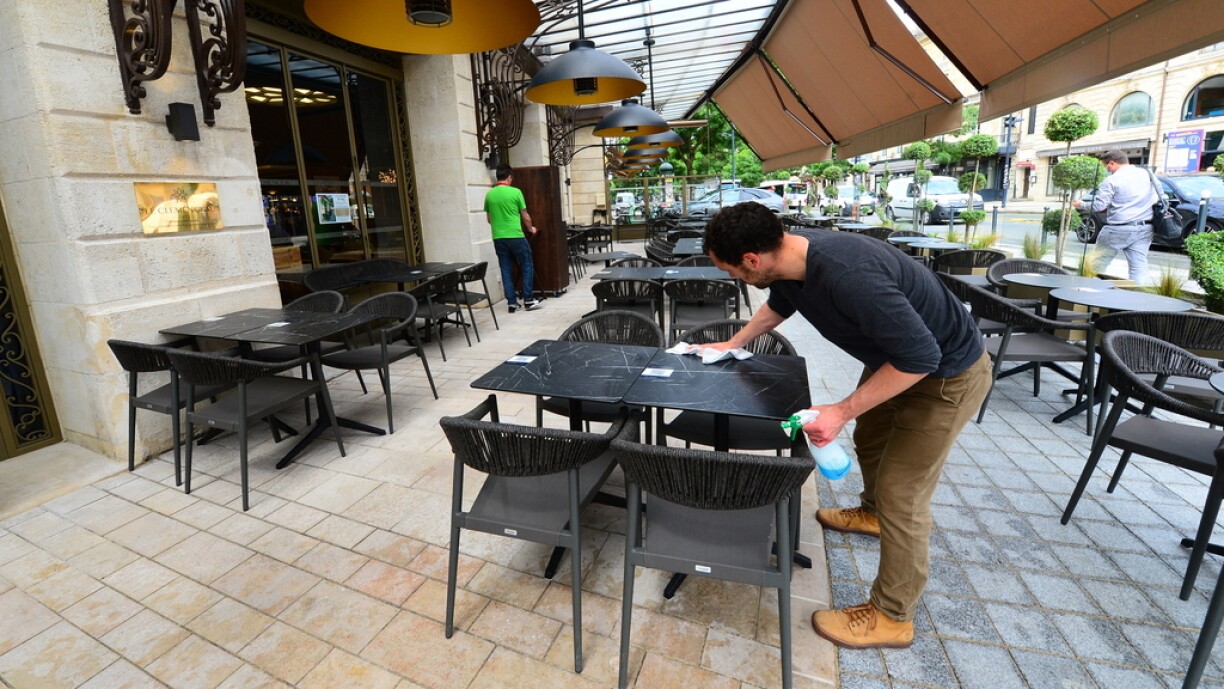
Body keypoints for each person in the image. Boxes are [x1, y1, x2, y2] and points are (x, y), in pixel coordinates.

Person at [702, 202, 991, 650]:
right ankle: (872, 515)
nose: (735, 280)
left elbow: (922, 357)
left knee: (904, 493)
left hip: (945, 376)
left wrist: (840, 409)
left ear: (753, 261)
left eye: (734, 272)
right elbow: (779, 305)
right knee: (871, 440)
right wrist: (732, 342)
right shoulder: (791, 261)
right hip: (894, 363)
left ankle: (893, 616)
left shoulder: (848, 274)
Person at [1073, 149, 1158, 283]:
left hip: (1118, 229)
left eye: (1106, 167)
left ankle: (1088, 295)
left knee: (1096, 264)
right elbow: (1156, 198)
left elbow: (1099, 206)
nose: (1107, 170)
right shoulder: (1147, 174)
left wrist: (1081, 204)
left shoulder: (1112, 180)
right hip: (1144, 227)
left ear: (1112, 163)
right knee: (1139, 267)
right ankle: (1140, 298)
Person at [484, 164, 542, 313]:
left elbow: (489, 219)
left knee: (505, 269)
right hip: (516, 236)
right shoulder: (516, 192)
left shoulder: (489, 195)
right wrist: (531, 229)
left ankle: (512, 303)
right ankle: (528, 300)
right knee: (527, 265)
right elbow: (525, 216)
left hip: (498, 237)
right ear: (509, 177)